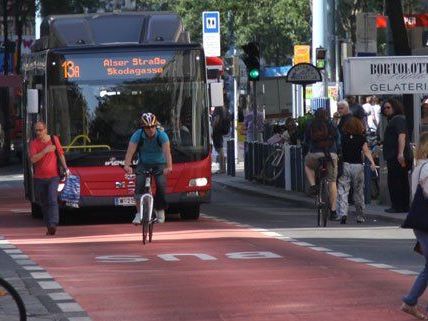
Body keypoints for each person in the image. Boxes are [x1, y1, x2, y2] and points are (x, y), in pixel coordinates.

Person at [124, 112, 172, 224]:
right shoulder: (138, 135)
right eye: (147, 127)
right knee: (139, 185)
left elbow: (167, 152)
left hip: (159, 163)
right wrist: (127, 165)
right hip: (144, 163)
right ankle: (139, 214)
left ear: (156, 126)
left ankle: (159, 209)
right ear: (143, 128)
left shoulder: (162, 135)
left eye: (152, 126)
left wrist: (169, 166)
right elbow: (130, 151)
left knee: (161, 184)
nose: (150, 129)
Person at [401, 131, 428, 319]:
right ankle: (410, 300)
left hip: (419, 221)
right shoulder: (427, 168)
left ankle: (410, 301)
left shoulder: (418, 166)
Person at [29, 121, 69, 236]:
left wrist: (66, 168)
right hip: (39, 178)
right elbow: (33, 159)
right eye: (36, 130)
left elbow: (60, 154)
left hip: (53, 176)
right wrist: (45, 151)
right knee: (44, 203)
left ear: (45, 130)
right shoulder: (33, 143)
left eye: (40, 130)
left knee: (52, 199)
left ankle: (53, 224)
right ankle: (48, 225)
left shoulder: (53, 139)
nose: (38, 133)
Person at [336, 117, 376, 224]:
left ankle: (343, 213)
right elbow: (366, 151)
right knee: (358, 192)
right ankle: (360, 215)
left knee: (343, 190)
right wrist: (372, 162)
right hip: (358, 166)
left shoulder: (343, 138)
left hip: (345, 165)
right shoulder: (361, 138)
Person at [304, 108, 341, 220]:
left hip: (315, 153)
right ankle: (333, 211)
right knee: (332, 181)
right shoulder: (331, 124)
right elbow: (338, 139)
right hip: (331, 154)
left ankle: (313, 185)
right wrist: (337, 151)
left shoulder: (311, 124)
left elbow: (306, 140)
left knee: (308, 165)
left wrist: (307, 150)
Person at [382, 98, 413, 213]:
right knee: (402, 180)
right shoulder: (396, 120)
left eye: (388, 107)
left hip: (397, 156)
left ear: (395, 107)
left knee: (396, 181)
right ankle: (403, 205)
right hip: (396, 156)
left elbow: (402, 136)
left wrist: (400, 154)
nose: (386, 110)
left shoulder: (398, 119)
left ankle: (398, 205)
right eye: (384, 108)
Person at [211, 105, 229, 174]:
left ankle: (222, 168)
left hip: (217, 130)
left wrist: (212, 127)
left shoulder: (218, 108)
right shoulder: (224, 108)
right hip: (220, 130)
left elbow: (216, 119)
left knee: (219, 148)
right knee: (220, 148)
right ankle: (223, 168)